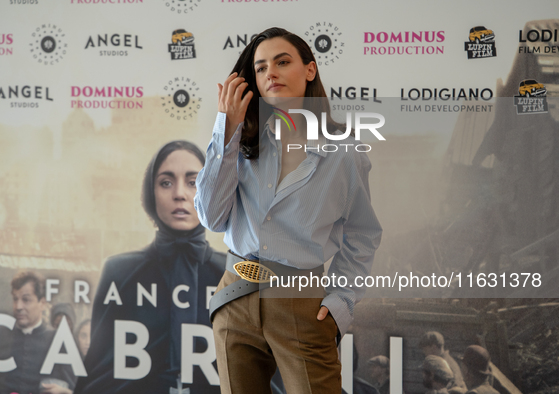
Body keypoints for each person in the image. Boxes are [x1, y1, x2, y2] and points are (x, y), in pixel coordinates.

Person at [195, 27, 382, 394]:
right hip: (235, 297)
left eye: (282, 62)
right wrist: (227, 128)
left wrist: (340, 303)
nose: (271, 73)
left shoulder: (345, 153)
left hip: (303, 304)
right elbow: (211, 217)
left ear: (309, 70)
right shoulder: (237, 145)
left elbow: (363, 234)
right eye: (261, 68)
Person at [74, 141, 225, 394]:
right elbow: (99, 370)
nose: (180, 193)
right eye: (166, 182)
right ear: (150, 192)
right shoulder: (119, 271)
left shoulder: (233, 273)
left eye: (193, 181)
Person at [0, 271, 75, 394]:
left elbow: (76, 388)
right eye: (15, 299)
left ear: (42, 303)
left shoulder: (58, 341)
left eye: (26, 300)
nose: (18, 306)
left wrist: (67, 392)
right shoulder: (0, 338)